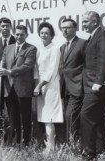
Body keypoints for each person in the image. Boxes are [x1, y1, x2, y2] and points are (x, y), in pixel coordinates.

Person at [80, 11, 105, 160]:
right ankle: (103, 149)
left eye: (86, 22)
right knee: (98, 117)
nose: (83, 25)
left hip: (98, 86)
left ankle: (89, 153)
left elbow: (104, 59)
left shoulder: (103, 35)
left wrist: (99, 82)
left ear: (95, 22)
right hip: (91, 85)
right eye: (83, 22)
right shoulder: (92, 37)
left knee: (86, 115)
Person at [0, 25, 36, 146]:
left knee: (25, 116)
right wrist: (0, 70)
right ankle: (14, 142)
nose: (19, 36)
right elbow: (2, 64)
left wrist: (9, 71)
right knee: (12, 117)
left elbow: (27, 66)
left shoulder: (31, 48)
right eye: (17, 34)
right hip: (9, 89)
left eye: (22, 34)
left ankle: (26, 143)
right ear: (14, 34)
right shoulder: (8, 48)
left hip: (23, 89)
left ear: (26, 35)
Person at [33, 22, 63, 152]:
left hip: (50, 87)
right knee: (43, 117)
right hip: (40, 87)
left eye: (47, 33)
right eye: (42, 33)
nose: (44, 35)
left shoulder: (55, 49)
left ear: (51, 36)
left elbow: (52, 70)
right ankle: (47, 145)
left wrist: (39, 85)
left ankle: (50, 148)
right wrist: (37, 85)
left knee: (49, 117)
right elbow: (36, 70)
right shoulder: (40, 50)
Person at [59, 19, 86, 143]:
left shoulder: (83, 43)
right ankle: (73, 144)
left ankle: (72, 146)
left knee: (71, 116)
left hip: (77, 87)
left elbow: (88, 65)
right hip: (65, 89)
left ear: (75, 28)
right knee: (69, 117)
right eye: (63, 27)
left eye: (68, 27)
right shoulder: (62, 47)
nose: (64, 30)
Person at [0, 17, 16, 123]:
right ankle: (0, 133)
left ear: (11, 27)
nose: (5, 28)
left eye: (7, 26)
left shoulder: (16, 41)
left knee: (12, 108)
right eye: (2, 26)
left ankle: (13, 134)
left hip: (12, 81)